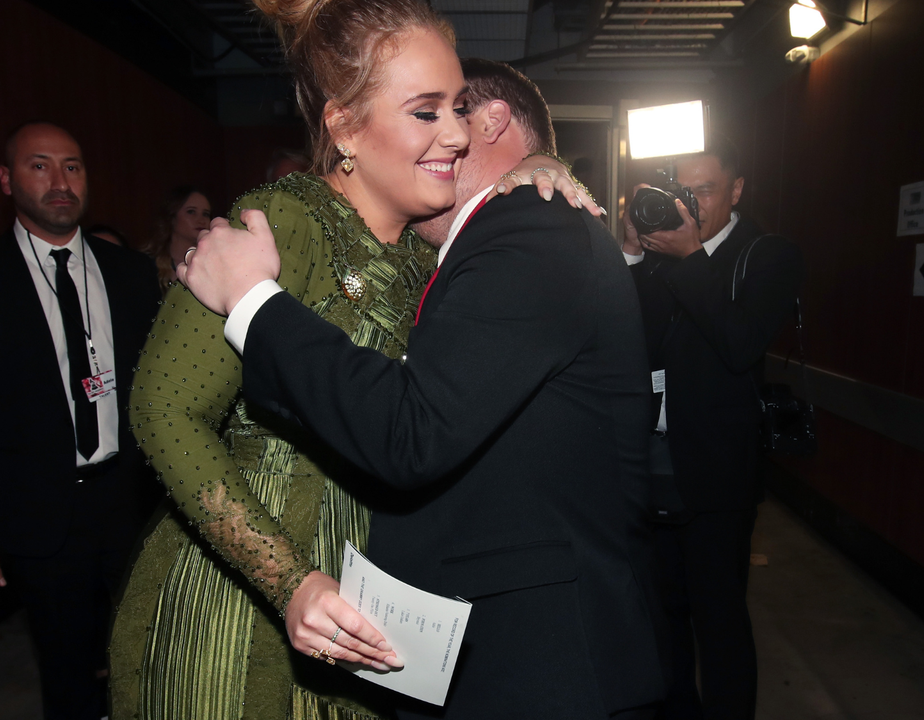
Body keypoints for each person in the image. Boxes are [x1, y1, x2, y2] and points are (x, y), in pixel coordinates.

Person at [107, 3, 588, 719]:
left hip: (373, 606)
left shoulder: (426, 249)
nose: (456, 134)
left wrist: (538, 168)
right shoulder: (280, 219)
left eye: (458, 108)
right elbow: (160, 409)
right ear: (344, 127)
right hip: (249, 611)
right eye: (426, 112)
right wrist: (287, 581)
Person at [176, 57, 663, 720]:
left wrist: (251, 301)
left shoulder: (530, 228)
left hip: (537, 666)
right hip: (498, 650)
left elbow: (410, 432)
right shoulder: (493, 234)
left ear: (489, 122)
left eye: (434, 115)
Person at [0, 121, 161, 720]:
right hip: (40, 514)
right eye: (40, 165)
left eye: (73, 167)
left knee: (153, 657)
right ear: (6, 179)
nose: (60, 181)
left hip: (131, 503)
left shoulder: (128, 273)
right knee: (68, 672)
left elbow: (160, 392)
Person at [619, 138, 804, 720]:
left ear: (737, 190)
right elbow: (629, 340)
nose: (693, 204)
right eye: (684, 191)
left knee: (719, 620)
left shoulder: (768, 254)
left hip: (718, 472)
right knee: (663, 614)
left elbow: (739, 344)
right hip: (651, 459)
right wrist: (629, 253)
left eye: (706, 190)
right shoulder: (659, 252)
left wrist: (690, 255)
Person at [138, 184, 212, 288]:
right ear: (172, 217)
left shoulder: (214, 262)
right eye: (191, 212)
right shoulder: (146, 264)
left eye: (205, 214)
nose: (201, 220)